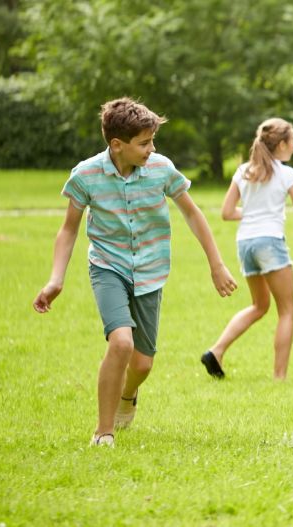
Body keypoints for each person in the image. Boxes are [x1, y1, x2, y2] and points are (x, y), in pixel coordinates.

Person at [33, 98, 238, 447]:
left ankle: (128, 395)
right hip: (108, 267)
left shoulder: (160, 169)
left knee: (142, 365)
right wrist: (56, 278)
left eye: (152, 141)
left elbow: (192, 213)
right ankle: (103, 431)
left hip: (151, 269)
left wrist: (216, 264)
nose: (151, 149)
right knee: (122, 343)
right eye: (144, 143)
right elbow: (68, 229)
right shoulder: (86, 175)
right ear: (117, 145)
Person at [200, 118, 293, 381]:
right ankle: (279, 377)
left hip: (245, 243)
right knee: (287, 309)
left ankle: (216, 351)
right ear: (284, 144)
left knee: (259, 305)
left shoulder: (243, 170)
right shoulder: (287, 174)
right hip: (270, 242)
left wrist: (254, 213)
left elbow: (227, 213)